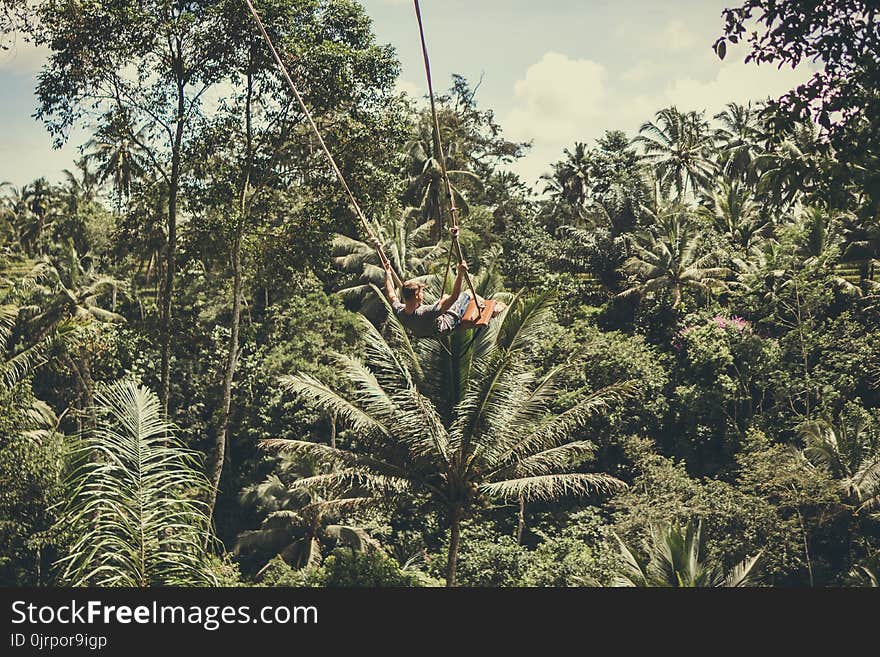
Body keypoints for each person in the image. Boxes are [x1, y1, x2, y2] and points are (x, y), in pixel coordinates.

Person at [382, 257, 504, 338]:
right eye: (421, 292)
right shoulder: (425, 312)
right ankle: (490, 311)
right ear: (417, 296)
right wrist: (460, 274)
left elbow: (391, 293)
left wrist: (388, 273)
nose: (423, 294)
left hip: (427, 331)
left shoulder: (399, 310)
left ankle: (478, 311)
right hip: (446, 325)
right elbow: (455, 297)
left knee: (445, 297)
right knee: (469, 293)